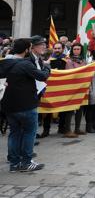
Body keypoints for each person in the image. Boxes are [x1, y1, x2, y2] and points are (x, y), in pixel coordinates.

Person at [0, 38, 50, 172]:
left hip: (8, 105)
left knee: (14, 133)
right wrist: (47, 67)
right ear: (27, 49)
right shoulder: (25, 64)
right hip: (26, 105)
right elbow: (42, 76)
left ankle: (14, 163)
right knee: (29, 133)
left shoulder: (4, 63)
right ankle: (26, 162)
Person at [38, 42, 66, 138]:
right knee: (47, 109)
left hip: (62, 88)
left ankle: (61, 128)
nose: (57, 50)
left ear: (63, 49)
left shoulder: (66, 59)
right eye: (55, 48)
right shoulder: (47, 60)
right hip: (50, 89)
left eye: (59, 48)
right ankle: (46, 130)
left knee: (62, 108)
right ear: (53, 49)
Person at [64, 43, 88, 137]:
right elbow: (70, 73)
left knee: (80, 109)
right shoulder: (69, 61)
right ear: (72, 50)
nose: (76, 51)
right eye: (74, 49)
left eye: (78, 49)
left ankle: (77, 128)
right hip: (72, 87)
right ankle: (67, 130)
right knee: (70, 109)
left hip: (81, 87)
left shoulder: (84, 60)